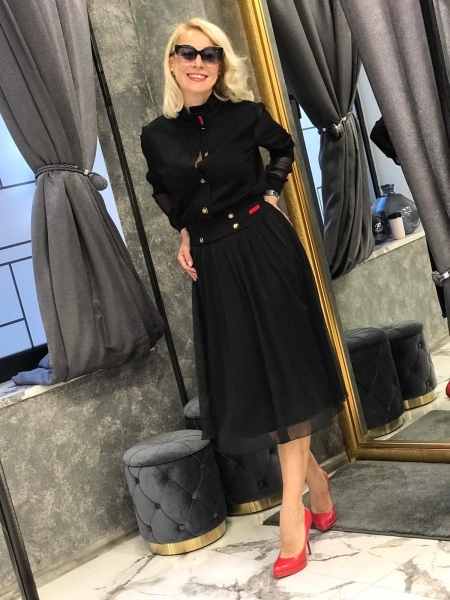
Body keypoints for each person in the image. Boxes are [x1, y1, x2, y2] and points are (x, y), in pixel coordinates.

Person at [141, 17, 346, 579]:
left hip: (263, 245)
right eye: (188, 52)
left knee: (287, 372)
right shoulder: (156, 135)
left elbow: (283, 148)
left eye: (210, 54)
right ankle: (318, 484)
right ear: (172, 61)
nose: (199, 62)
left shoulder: (244, 115)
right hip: (214, 262)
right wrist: (186, 230)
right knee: (254, 376)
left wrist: (271, 192)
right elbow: (163, 188)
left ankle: (292, 519)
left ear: (221, 64)